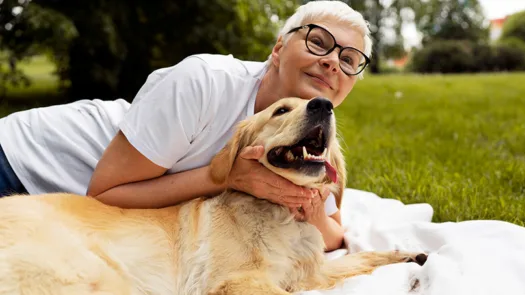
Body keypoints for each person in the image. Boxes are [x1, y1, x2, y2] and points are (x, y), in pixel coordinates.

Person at [0, 0, 372, 251]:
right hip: (22, 163)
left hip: (59, 214)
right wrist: (229, 177)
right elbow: (103, 194)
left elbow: (334, 235)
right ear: (278, 49)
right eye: (318, 42)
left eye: (349, 58)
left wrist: (308, 207)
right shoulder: (205, 82)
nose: (332, 63)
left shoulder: (310, 137)